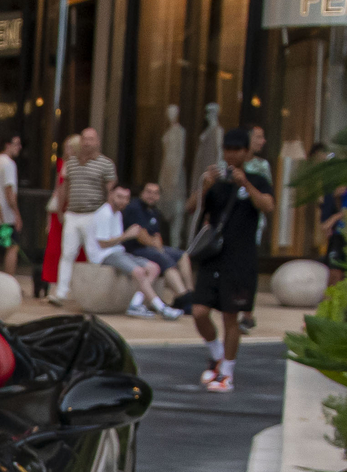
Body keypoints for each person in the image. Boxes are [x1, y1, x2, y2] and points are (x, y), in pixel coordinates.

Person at [191, 127, 273, 394]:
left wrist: (245, 185)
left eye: (237, 150)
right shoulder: (215, 178)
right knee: (199, 311)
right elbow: (192, 208)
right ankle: (215, 354)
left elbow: (268, 206)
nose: (231, 155)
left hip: (240, 258)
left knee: (230, 316)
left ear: (247, 152)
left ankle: (227, 372)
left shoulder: (258, 179)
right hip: (213, 256)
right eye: (228, 150)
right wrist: (205, 187)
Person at [93, 183, 180, 318]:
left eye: (126, 198)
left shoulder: (118, 214)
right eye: (119, 197)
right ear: (110, 195)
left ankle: (135, 304)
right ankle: (161, 308)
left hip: (119, 252)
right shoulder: (104, 213)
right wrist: (127, 235)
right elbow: (103, 243)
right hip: (105, 255)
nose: (123, 201)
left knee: (154, 268)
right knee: (139, 272)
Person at [52, 126, 116, 298]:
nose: (87, 143)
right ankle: (61, 292)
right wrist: (60, 209)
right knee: (67, 253)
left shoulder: (106, 164)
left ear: (97, 142)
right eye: (84, 139)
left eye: (91, 139)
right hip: (72, 213)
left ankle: (94, 294)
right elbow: (64, 187)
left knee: (94, 255)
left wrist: (109, 217)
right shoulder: (70, 163)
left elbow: (111, 191)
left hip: (93, 214)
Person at [126, 178, 189, 298]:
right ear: (141, 193)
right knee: (165, 259)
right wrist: (156, 246)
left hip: (150, 248)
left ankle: (189, 292)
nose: (152, 196)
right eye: (148, 192)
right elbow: (141, 237)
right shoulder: (135, 207)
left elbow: (157, 236)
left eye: (155, 193)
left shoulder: (154, 212)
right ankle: (182, 296)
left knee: (182, 255)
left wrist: (158, 245)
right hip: (134, 249)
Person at [0, 133, 24, 274]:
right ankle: (9, 280)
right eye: (16, 144)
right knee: (11, 247)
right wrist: (16, 214)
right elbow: (9, 191)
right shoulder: (9, 164)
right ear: (7, 145)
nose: (19, 147)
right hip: (5, 215)